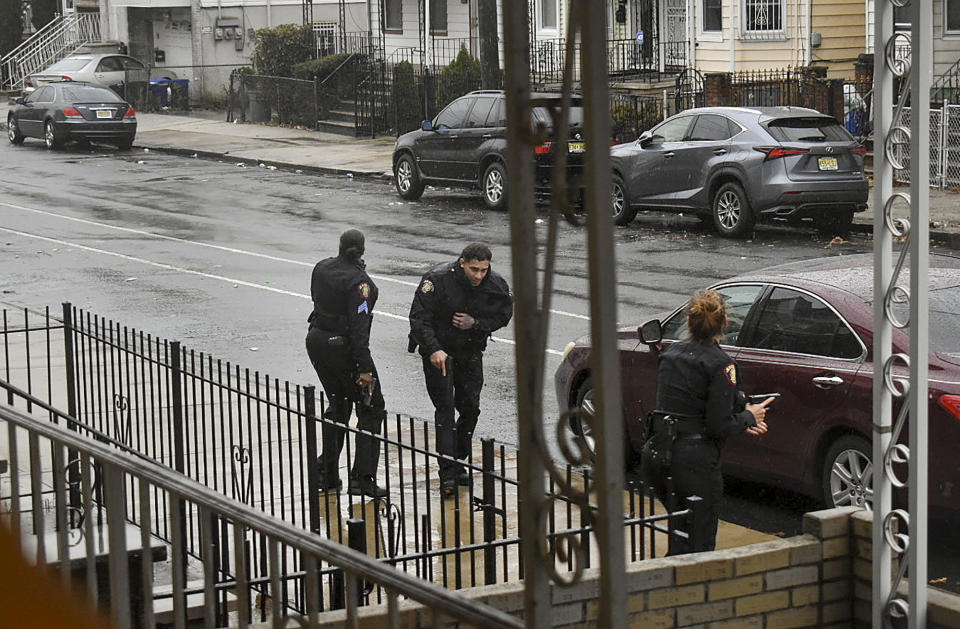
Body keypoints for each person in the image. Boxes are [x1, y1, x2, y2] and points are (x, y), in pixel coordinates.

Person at [641, 289, 772, 555]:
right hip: (695, 463)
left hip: (659, 452)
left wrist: (744, 413)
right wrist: (749, 416)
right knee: (698, 541)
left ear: (689, 323)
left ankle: (673, 582)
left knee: (680, 531)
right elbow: (718, 426)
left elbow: (690, 399)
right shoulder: (721, 364)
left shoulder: (670, 354)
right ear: (725, 323)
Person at [408, 243, 514, 497]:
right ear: (463, 263)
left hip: (469, 351)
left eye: (483, 270)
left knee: (470, 407)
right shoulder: (438, 279)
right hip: (440, 353)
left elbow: (503, 316)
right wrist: (433, 348)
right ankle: (448, 474)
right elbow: (419, 318)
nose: (478, 276)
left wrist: (476, 324)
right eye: (474, 269)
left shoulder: (495, 284)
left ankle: (457, 458)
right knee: (445, 409)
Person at [306, 229, 388, 499]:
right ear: (362, 250)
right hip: (344, 348)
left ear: (339, 246)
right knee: (372, 408)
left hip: (317, 340)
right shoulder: (361, 284)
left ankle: (326, 472)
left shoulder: (322, 267)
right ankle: (362, 478)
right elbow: (359, 330)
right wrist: (364, 368)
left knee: (339, 404)